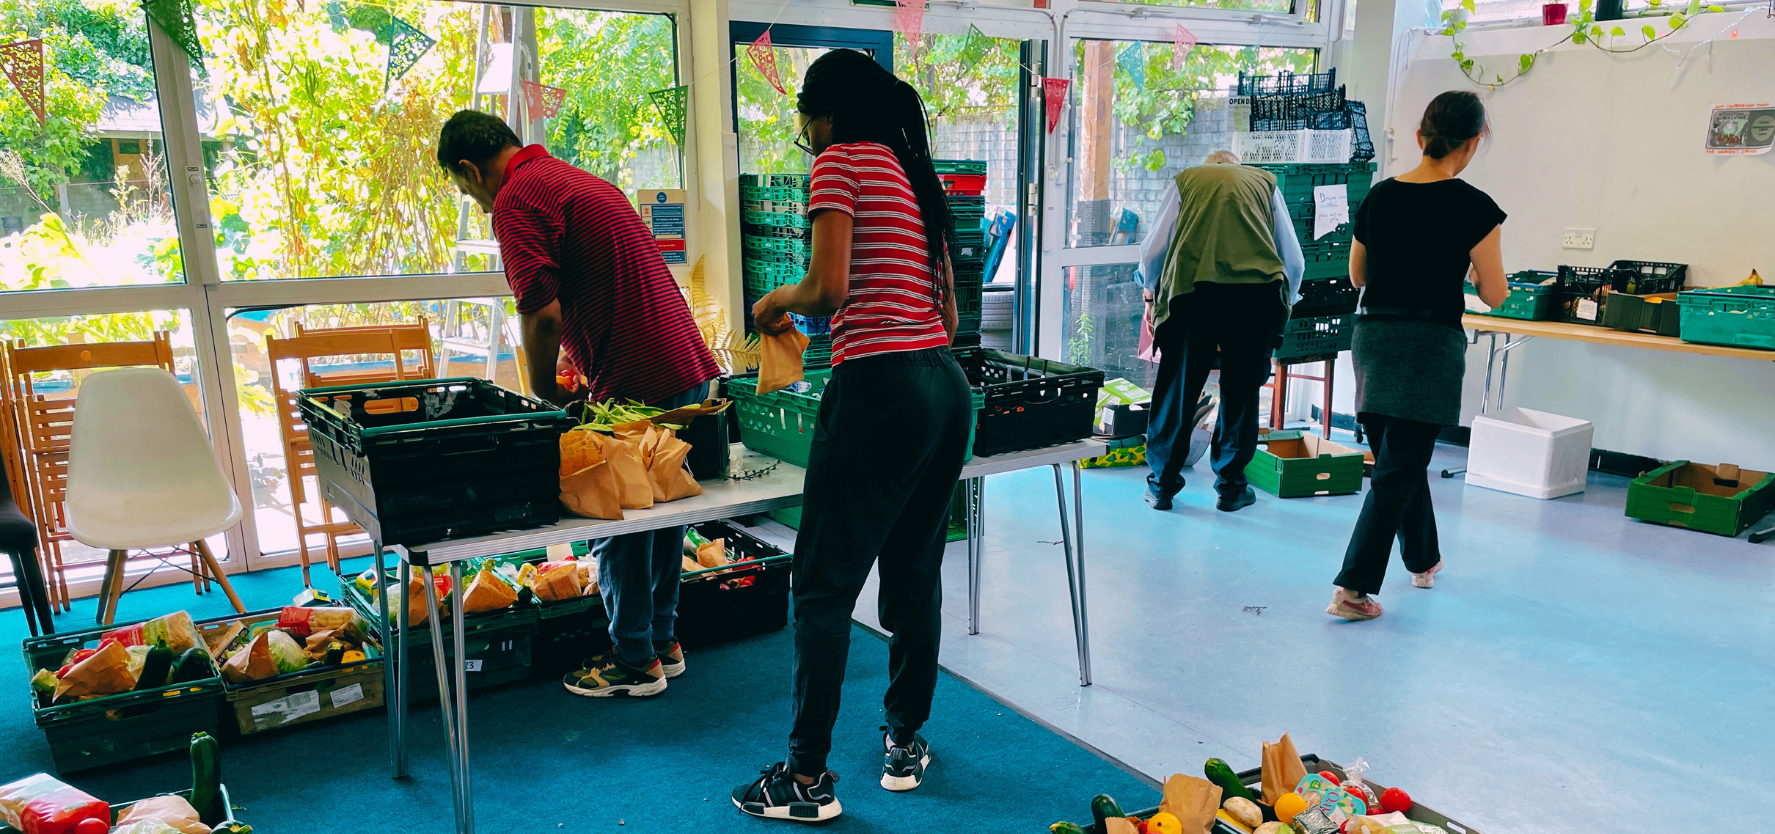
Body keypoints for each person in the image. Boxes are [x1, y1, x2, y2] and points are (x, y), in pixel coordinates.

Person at [730, 49, 972, 823]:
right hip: (942, 384)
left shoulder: (839, 163)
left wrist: (773, 305)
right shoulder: (915, 174)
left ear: (824, 112)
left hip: (877, 389)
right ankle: (904, 739)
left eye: (805, 121)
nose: (806, 135)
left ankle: (803, 781)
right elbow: (949, 313)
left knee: (824, 588)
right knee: (912, 573)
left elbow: (828, 291)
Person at [435, 110, 723, 693]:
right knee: (661, 515)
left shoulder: (517, 200)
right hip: (685, 362)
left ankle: (632, 662)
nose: (482, 207)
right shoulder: (576, 179)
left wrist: (541, 392)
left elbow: (541, 315)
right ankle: (661, 642)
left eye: (469, 192)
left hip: (637, 377)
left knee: (613, 515)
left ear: (471, 168)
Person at [1327, 91, 1508, 621]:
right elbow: (1496, 295)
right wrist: (1471, 273)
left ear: (1419, 137)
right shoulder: (1475, 207)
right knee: (1398, 469)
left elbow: (1358, 275)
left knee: (1399, 462)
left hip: (1374, 340)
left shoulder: (1380, 196)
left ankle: (1423, 558)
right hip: (1428, 347)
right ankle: (1352, 591)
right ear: (1474, 142)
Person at [1136, 149, 1305, 514]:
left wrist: (1150, 292)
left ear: (1209, 165)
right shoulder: (1265, 183)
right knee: (1241, 393)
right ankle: (1231, 488)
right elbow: (1293, 259)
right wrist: (1283, 304)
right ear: (1236, 167)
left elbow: (1153, 250)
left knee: (1178, 390)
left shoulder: (1188, 179)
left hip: (1192, 295)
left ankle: (1161, 486)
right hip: (1255, 297)